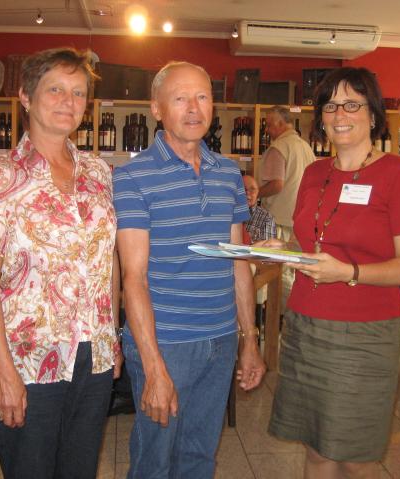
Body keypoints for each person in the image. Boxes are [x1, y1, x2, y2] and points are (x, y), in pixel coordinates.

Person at [266, 67, 400, 478]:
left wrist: (348, 272)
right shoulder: (314, 173)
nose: (340, 114)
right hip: (304, 326)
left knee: (356, 455)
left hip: (364, 333)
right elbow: (312, 245)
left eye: (352, 104)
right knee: (316, 448)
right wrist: (283, 250)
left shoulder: (399, 175)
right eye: (331, 105)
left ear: (373, 115)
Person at [0, 47, 121, 479]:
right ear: (26, 97)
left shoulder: (98, 173)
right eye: (55, 90)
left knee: (79, 470)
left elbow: (107, 262)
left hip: (93, 356)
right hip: (29, 359)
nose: (68, 102)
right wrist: (3, 373)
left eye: (78, 92)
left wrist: (111, 340)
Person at [113, 61, 265, 479]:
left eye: (202, 97)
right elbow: (134, 278)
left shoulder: (228, 173)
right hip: (166, 342)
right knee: (154, 461)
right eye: (180, 98)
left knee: (200, 457)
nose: (194, 108)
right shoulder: (133, 177)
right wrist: (153, 366)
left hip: (220, 340)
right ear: (157, 108)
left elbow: (238, 262)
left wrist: (249, 340)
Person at [257, 106, 315, 309]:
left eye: (269, 125)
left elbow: (276, 184)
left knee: (279, 273)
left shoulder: (279, 148)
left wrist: (254, 193)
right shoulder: (305, 147)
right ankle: (298, 309)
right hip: (300, 217)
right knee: (295, 269)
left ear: (280, 124)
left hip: (279, 218)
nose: (267, 130)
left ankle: (284, 315)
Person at [242, 173, 277, 243]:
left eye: (252, 189)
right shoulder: (228, 214)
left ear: (258, 192)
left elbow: (268, 248)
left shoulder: (267, 218)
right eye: (243, 189)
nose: (247, 192)